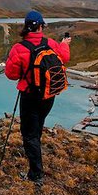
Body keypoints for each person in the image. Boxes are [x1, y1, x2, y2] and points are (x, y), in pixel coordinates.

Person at [5, 10, 71, 185]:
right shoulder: (50, 43)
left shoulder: (19, 49)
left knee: (29, 135)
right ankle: (36, 159)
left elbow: (11, 74)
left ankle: (36, 175)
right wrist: (64, 43)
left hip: (29, 96)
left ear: (26, 27)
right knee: (37, 127)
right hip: (49, 95)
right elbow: (65, 57)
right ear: (41, 26)